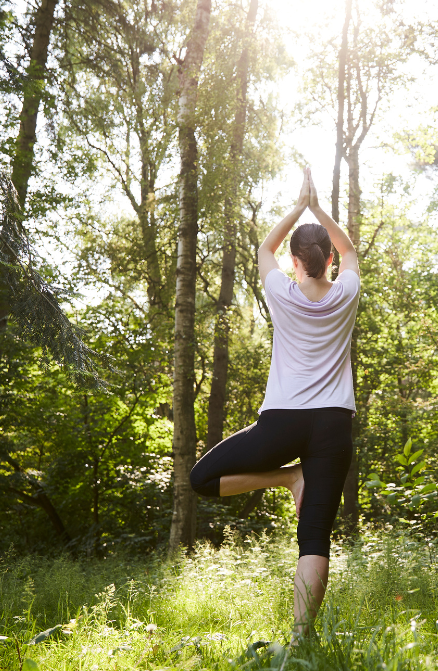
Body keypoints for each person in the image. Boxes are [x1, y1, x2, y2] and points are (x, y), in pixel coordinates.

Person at [189, 166, 360, 642]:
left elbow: (264, 249)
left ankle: (288, 476)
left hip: (282, 422)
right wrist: (320, 208)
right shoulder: (346, 291)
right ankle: (303, 642)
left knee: (200, 479)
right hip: (332, 427)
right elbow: (350, 251)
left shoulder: (282, 292)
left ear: (294, 259)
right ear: (328, 260)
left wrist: (298, 205)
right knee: (314, 538)